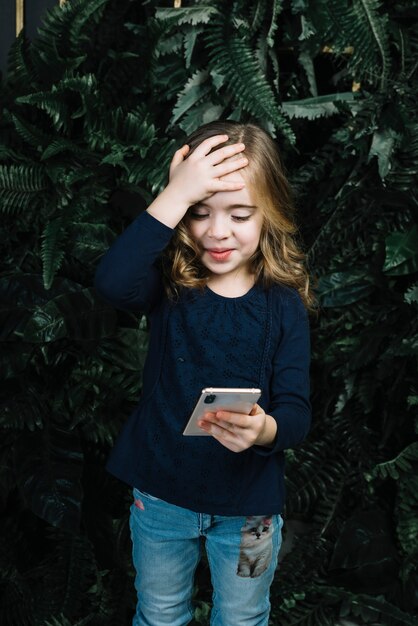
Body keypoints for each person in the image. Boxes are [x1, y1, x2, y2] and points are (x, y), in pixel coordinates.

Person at [94, 120, 314, 626]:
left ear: (270, 214)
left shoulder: (283, 307)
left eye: (239, 214)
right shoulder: (171, 286)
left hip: (251, 516)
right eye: (198, 213)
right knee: (160, 613)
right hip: (161, 499)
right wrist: (175, 194)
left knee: (243, 618)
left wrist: (265, 430)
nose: (217, 231)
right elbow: (111, 282)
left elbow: (296, 411)